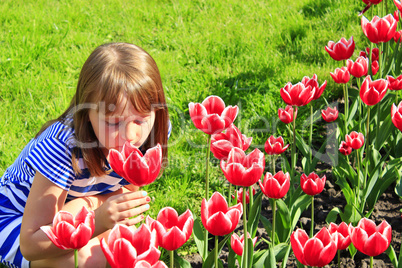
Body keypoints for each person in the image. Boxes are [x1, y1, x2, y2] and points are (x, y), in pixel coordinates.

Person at [0, 42, 171, 268]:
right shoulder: (62, 148)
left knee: (131, 244)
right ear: (86, 113)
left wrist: (92, 207)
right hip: (19, 221)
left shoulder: (152, 131)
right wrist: (98, 219)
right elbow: (30, 246)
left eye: (139, 119)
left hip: (78, 211)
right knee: (95, 259)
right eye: (114, 122)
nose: (130, 135)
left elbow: (127, 192)